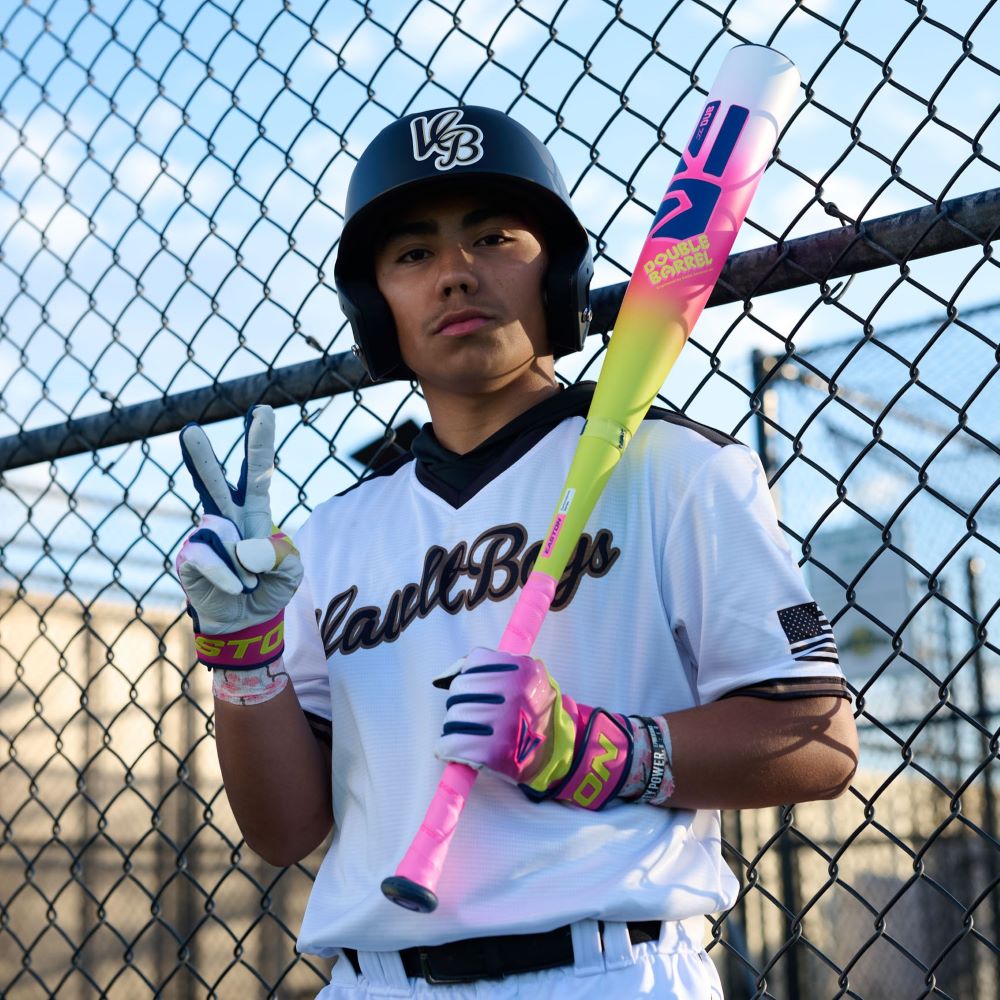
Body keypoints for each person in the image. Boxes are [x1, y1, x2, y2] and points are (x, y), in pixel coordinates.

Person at [175, 106, 859, 999]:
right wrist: (242, 658)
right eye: (413, 254)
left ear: (557, 272)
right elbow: (282, 829)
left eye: (494, 237)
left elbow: (816, 739)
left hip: (610, 969)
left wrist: (596, 750)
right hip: (369, 980)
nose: (456, 275)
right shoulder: (330, 535)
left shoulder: (680, 468)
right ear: (375, 303)